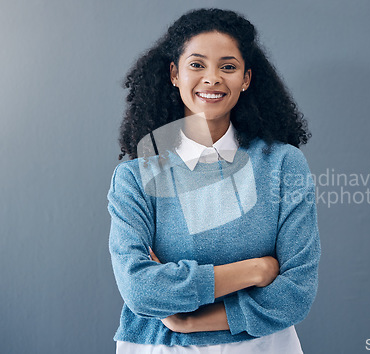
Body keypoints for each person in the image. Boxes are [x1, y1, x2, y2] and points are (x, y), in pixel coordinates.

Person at [107, 8, 321, 354]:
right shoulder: (135, 177)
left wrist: (188, 319)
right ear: (174, 74)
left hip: (264, 347)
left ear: (246, 79)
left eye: (228, 66)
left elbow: (296, 294)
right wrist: (255, 269)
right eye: (196, 65)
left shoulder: (284, 165)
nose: (212, 78)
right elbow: (140, 291)